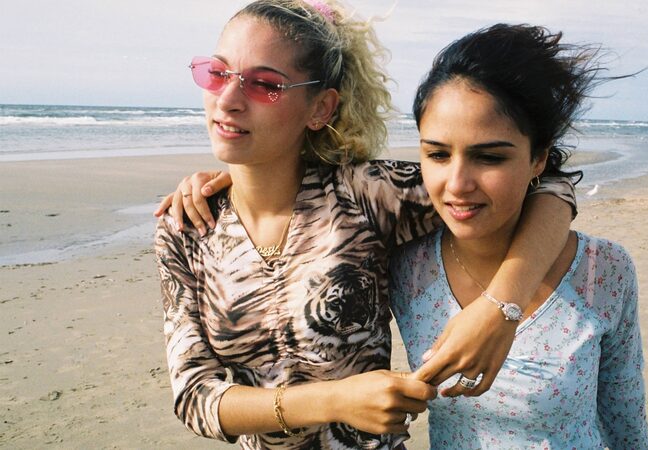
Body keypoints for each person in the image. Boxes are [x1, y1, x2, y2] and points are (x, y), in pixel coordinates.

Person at [153, 1, 576, 448]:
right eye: (218, 73)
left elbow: (546, 183)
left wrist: (499, 309)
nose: (227, 100)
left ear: (320, 108)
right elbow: (194, 397)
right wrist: (335, 400)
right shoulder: (187, 226)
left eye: (265, 84)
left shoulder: (363, 194)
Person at [388, 24, 648, 448]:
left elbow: (625, 416)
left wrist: (500, 307)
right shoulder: (407, 267)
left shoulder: (602, 269)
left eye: (489, 157)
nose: (456, 184)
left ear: (538, 159)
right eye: (437, 154)